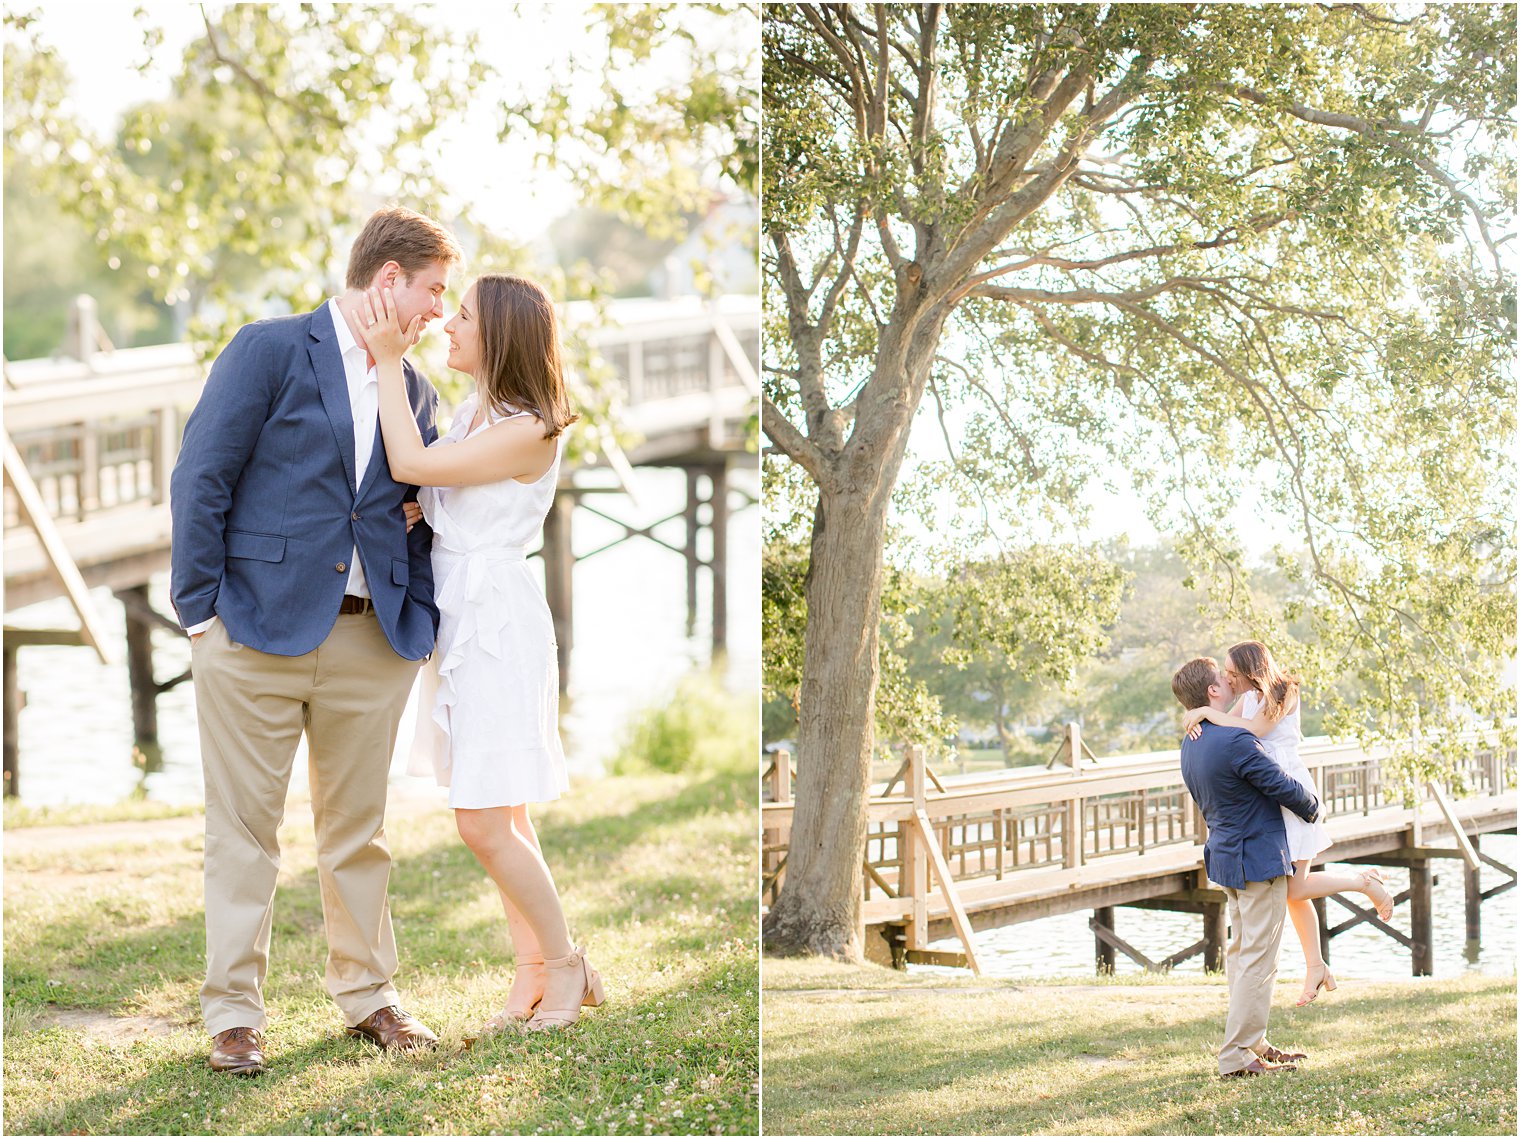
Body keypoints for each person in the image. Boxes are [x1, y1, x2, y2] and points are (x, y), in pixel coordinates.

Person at [169, 206, 462, 1076]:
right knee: (243, 832)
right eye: (433, 291)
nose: (438, 313)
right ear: (387, 280)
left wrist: (417, 611)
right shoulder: (267, 349)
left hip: (372, 645)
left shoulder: (413, 390)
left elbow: (416, 506)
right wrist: (198, 610)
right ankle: (233, 1016)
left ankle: (370, 997)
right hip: (250, 632)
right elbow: (202, 475)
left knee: (358, 833)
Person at [362, 273, 606, 1034]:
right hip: (465, 620)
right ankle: (532, 973)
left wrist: (383, 358)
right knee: (505, 814)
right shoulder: (475, 413)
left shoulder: (530, 425)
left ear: (498, 334)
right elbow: (435, 490)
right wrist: (424, 503)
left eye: (462, 314)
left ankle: (567, 964)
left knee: (482, 821)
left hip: (496, 625)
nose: (447, 324)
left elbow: (410, 459)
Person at [1182, 640, 1394, 1004]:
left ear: (1252, 669)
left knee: (1294, 889)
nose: (1230, 680)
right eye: (1227, 675)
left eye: (1234, 673)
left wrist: (1204, 712)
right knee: (1293, 889)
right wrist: (1202, 715)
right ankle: (1315, 965)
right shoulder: (1247, 696)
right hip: (1264, 791)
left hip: (1288, 788)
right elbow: (1232, 724)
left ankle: (1363, 881)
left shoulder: (1284, 690)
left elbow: (1251, 731)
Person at [1172, 657, 1320, 1078]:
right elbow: (1274, 782)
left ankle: (1253, 1042)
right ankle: (1236, 1055)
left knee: (1242, 956)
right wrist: (1311, 806)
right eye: (1223, 677)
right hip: (1255, 859)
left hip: (1226, 857)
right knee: (1258, 958)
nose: (1229, 680)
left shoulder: (1193, 741)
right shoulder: (1235, 741)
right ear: (1213, 693)